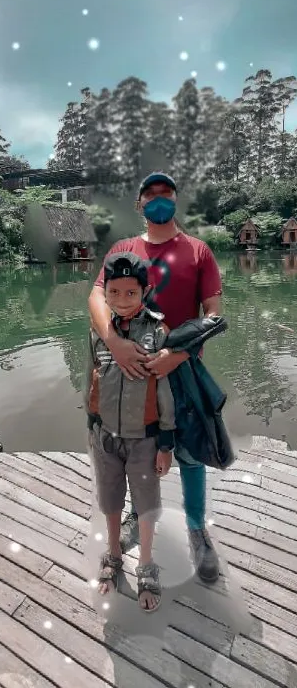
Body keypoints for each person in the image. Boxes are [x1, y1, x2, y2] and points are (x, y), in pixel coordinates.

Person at [88, 172, 223, 583]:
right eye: (151, 194)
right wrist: (115, 342)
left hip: (181, 372)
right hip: (128, 370)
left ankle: (197, 530)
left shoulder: (198, 251)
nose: (159, 200)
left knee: (190, 453)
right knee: (134, 446)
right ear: (139, 204)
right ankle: (134, 514)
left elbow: (214, 314)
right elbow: (95, 295)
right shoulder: (123, 249)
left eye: (166, 194)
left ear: (176, 200)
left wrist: (177, 355)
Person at [86, 251, 176, 612]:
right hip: (105, 436)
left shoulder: (157, 333)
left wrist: (165, 442)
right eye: (114, 292)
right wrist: (93, 425)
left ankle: (147, 564)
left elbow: (166, 391)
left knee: (147, 504)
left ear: (145, 292)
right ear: (104, 291)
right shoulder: (99, 332)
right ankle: (112, 552)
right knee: (109, 500)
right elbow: (92, 378)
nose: (122, 301)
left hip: (144, 439)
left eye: (131, 293)